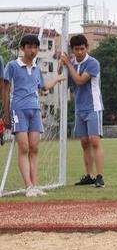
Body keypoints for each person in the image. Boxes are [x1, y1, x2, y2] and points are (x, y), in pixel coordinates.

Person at [2, 35, 66, 197]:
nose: (32, 50)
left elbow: (43, 88)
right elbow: (5, 90)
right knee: (24, 147)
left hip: (35, 111)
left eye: (35, 47)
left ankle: (35, 185)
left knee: (34, 148)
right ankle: (28, 186)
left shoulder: (37, 69)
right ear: (22, 48)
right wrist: (6, 113)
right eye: (29, 47)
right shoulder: (12, 66)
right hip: (18, 110)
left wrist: (57, 79)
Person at [59, 34, 106, 188]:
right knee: (84, 143)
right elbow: (63, 80)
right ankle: (89, 176)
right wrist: (61, 65)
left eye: (82, 49)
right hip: (80, 108)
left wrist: (68, 65)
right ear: (72, 50)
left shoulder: (93, 63)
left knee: (94, 141)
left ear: (87, 48)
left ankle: (100, 176)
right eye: (76, 49)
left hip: (93, 106)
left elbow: (79, 81)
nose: (79, 52)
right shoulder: (72, 63)